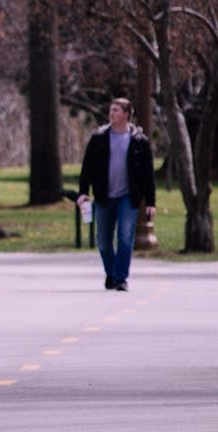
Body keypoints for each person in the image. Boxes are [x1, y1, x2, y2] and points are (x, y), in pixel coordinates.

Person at [77, 97, 156, 291]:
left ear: (127, 114)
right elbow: (87, 167)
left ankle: (120, 278)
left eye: (116, 110)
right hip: (104, 195)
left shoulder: (139, 141)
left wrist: (151, 201)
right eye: (111, 110)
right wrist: (83, 192)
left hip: (128, 196)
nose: (111, 114)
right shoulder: (99, 138)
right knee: (103, 241)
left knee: (125, 236)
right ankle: (111, 273)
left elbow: (148, 173)